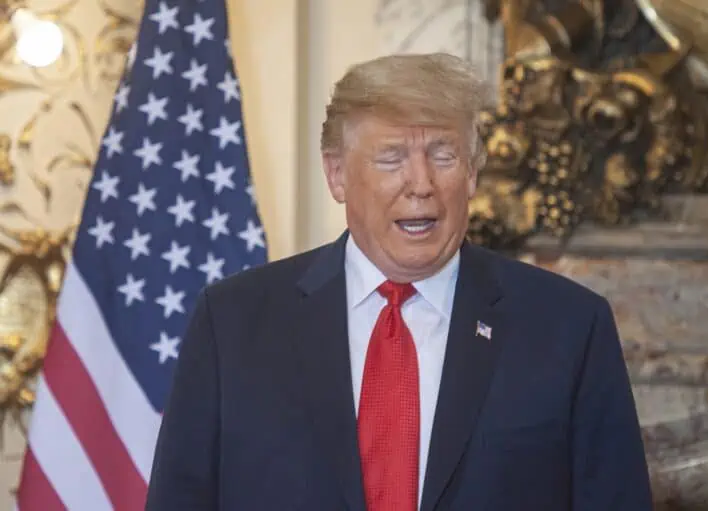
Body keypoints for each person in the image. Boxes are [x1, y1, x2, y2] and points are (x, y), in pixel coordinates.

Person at [145, 52, 653, 510]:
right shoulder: (232, 324)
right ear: (337, 174)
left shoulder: (569, 327)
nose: (422, 184)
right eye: (392, 158)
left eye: (443, 156)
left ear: (472, 174)